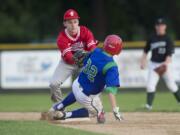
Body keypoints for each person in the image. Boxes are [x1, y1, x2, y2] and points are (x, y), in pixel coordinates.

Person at [48, 35, 123, 123]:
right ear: (118, 49)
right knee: (98, 112)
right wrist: (115, 109)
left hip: (76, 84)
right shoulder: (111, 66)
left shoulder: (96, 51)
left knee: (85, 94)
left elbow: (83, 61)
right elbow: (111, 90)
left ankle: (58, 106)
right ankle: (65, 115)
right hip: (85, 95)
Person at [50, 9, 97, 103]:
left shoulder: (85, 31)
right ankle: (59, 108)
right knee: (54, 84)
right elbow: (69, 57)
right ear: (65, 24)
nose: (73, 25)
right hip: (67, 63)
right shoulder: (62, 38)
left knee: (93, 82)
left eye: (75, 21)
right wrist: (82, 56)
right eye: (70, 22)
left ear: (78, 22)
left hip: (84, 63)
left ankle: (95, 108)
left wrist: (90, 56)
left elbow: (93, 49)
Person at [140, 18, 180, 110]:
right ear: (155, 27)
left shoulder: (168, 39)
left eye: (161, 25)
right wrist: (142, 62)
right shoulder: (152, 38)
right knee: (150, 85)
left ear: (165, 27)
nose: (160, 27)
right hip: (153, 64)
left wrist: (165, 64)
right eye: (158, 25)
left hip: (165, 64)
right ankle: (148, 106)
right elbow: (145, 51)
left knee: (171, 86)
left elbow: (169, 55)